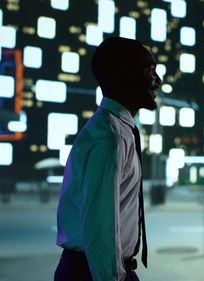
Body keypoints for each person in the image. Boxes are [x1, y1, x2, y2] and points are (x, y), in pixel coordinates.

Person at [54, 36, 162, 281]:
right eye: (150, 71)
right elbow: (100, 227)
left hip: (104, 268)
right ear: (124, 76)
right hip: (94, 272)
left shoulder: (117, 130)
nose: (158, 81)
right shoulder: (109, 137)